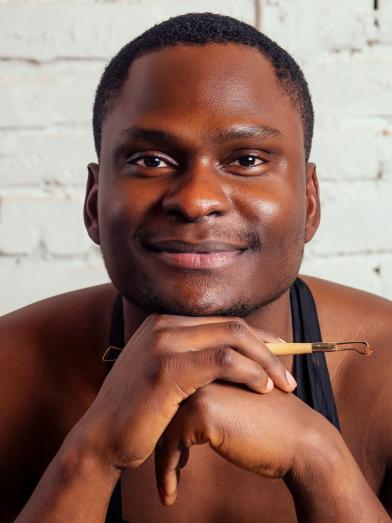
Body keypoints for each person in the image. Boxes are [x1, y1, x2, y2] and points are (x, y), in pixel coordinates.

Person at [1, 12, 391, 523]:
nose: (197, 200)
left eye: (247, 160)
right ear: (94, 204)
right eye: (150, 160)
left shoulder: (383, 373)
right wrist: (90, 456)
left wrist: (320, 459)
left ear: (309, 202)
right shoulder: (12, 372)